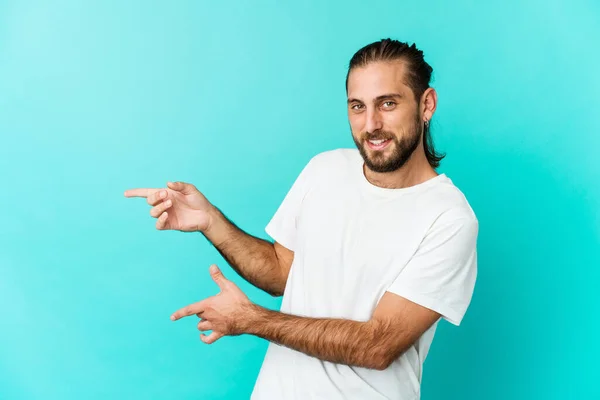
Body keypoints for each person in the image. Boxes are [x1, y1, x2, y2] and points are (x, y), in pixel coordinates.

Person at [125, 38, 478, 400]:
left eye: (387, 103)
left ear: (426, 104)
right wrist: (211, 221)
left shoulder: (448, 218)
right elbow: (282, 271)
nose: (371, 124)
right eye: (357, 106)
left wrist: (252, 320)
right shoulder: (325, 169)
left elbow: (378, 345)